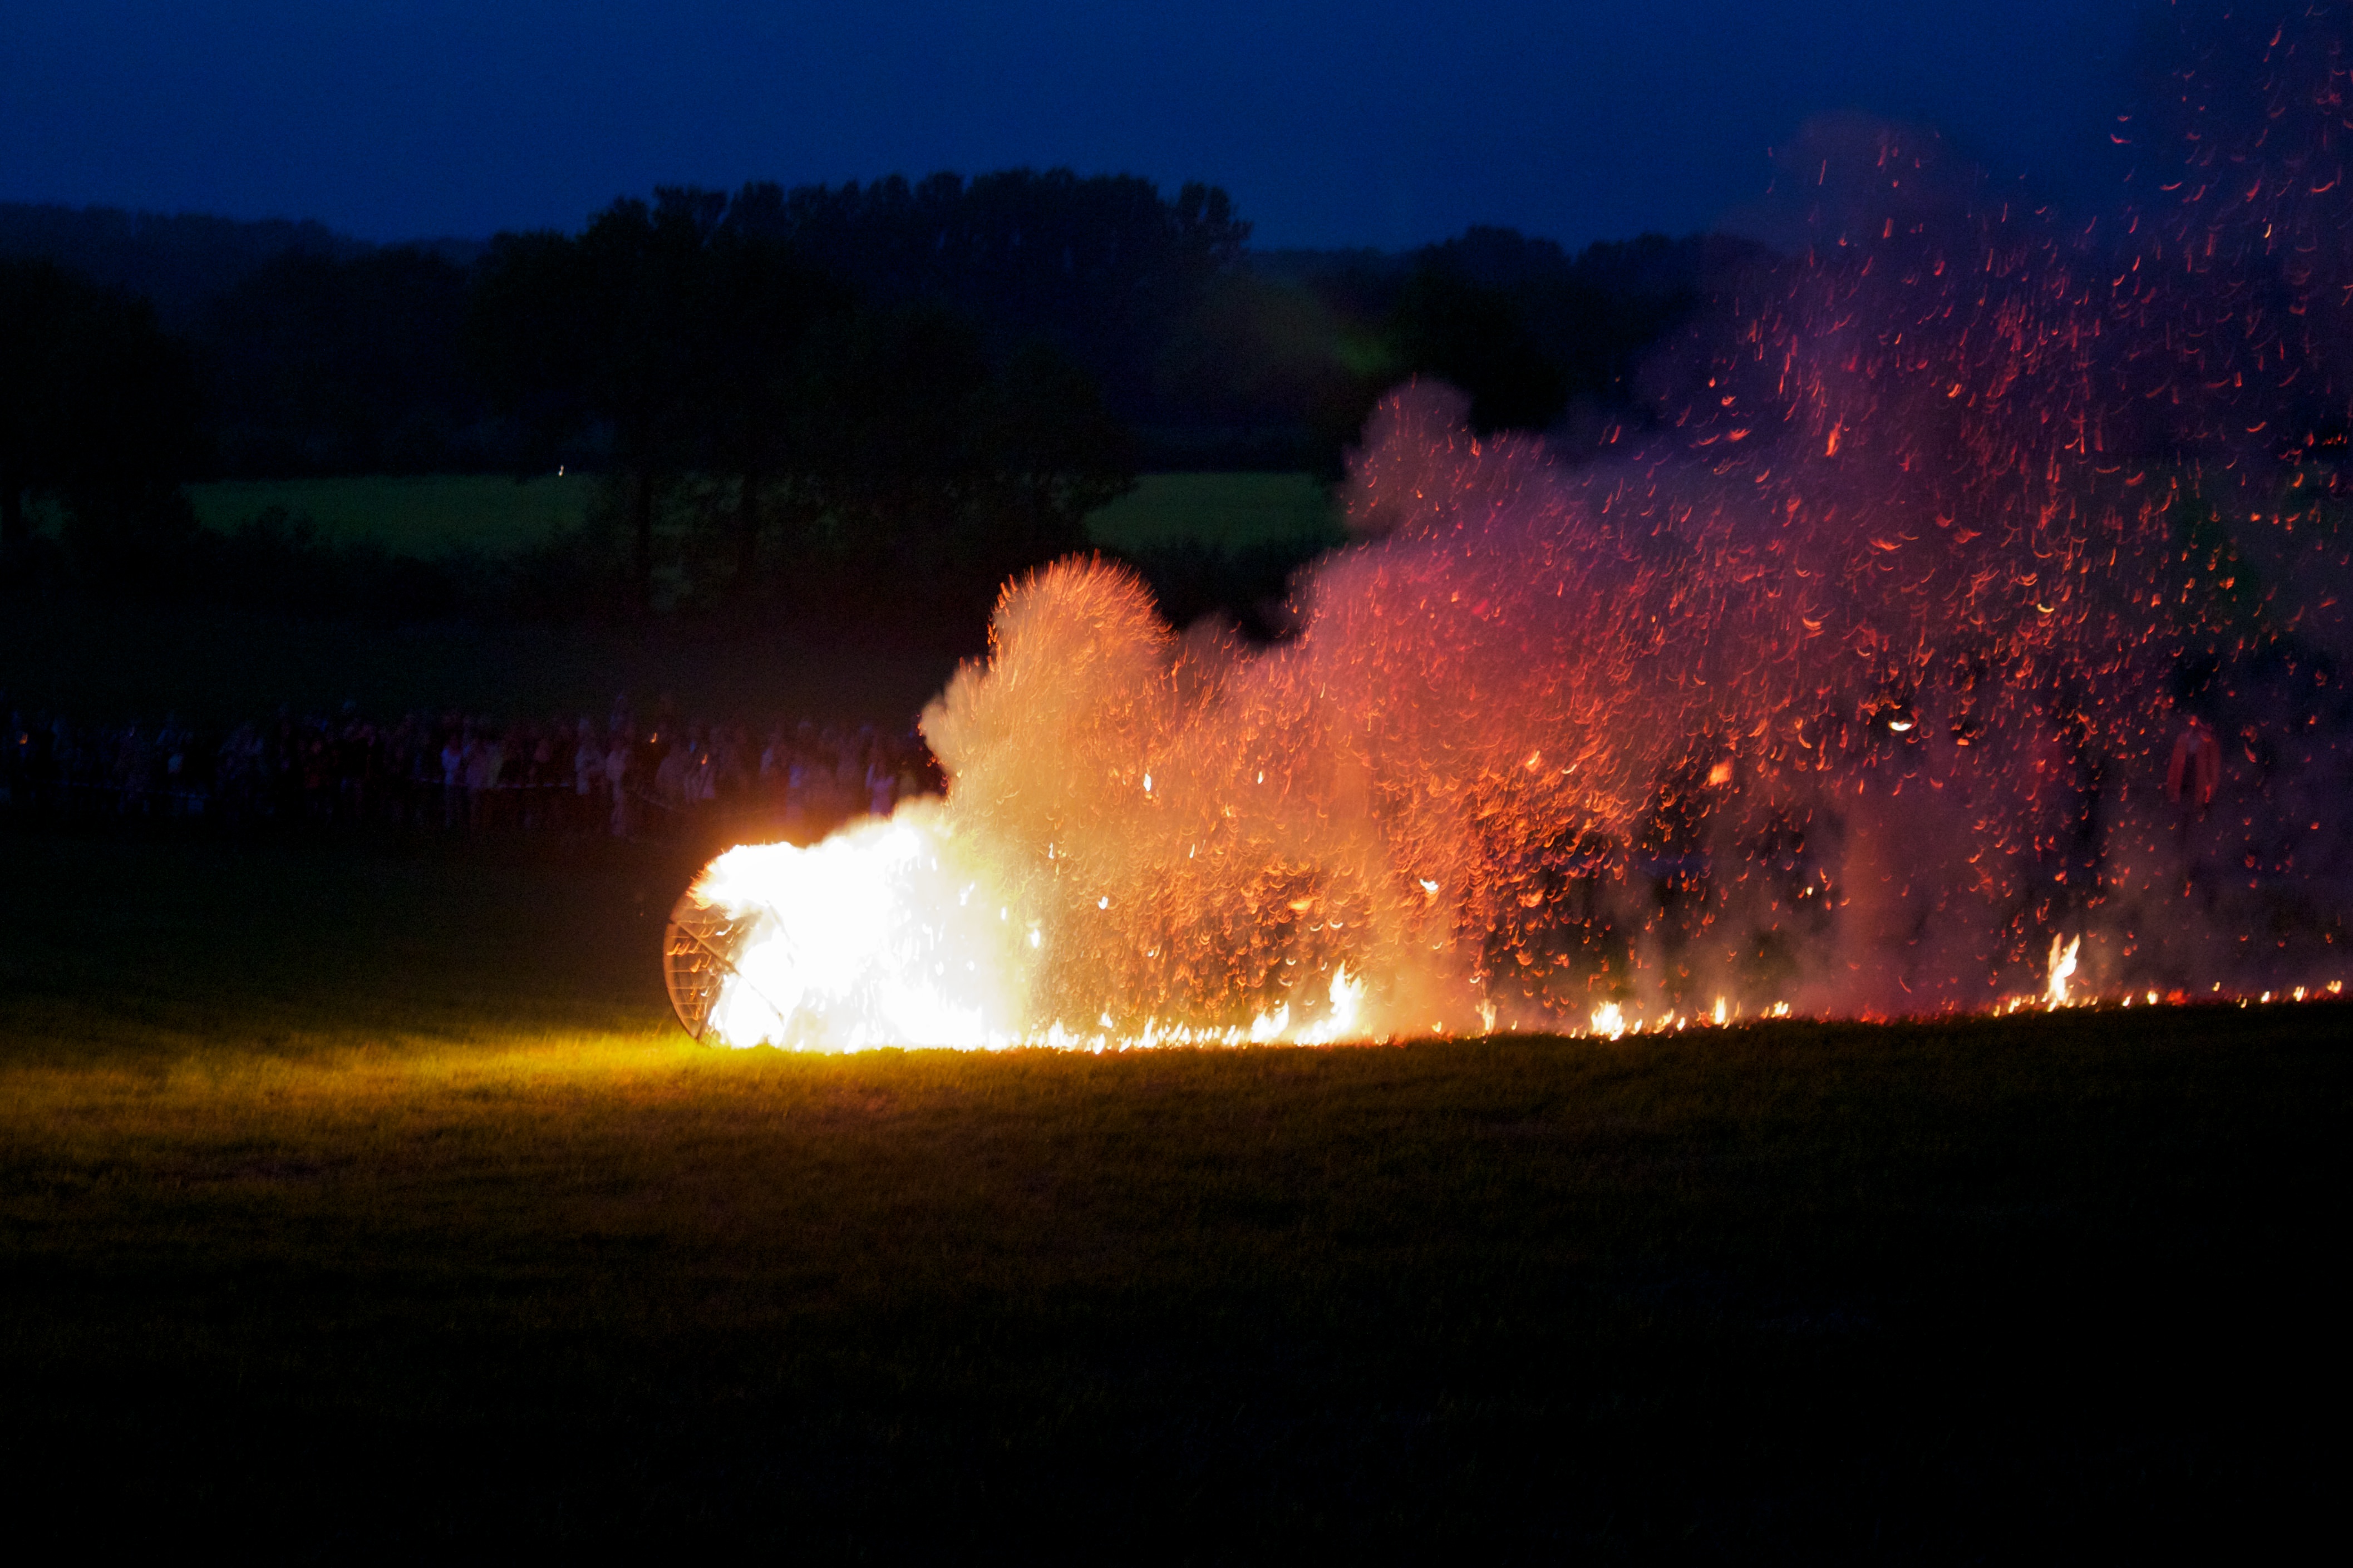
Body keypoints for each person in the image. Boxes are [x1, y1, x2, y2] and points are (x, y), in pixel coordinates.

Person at [2167, 712, 2221, 812]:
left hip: (2196, 777)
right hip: (2186, 774)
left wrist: (2209, 785)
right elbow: (2174, 765)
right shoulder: (2183, 738)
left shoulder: (2208, 741)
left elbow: (2214, 765)